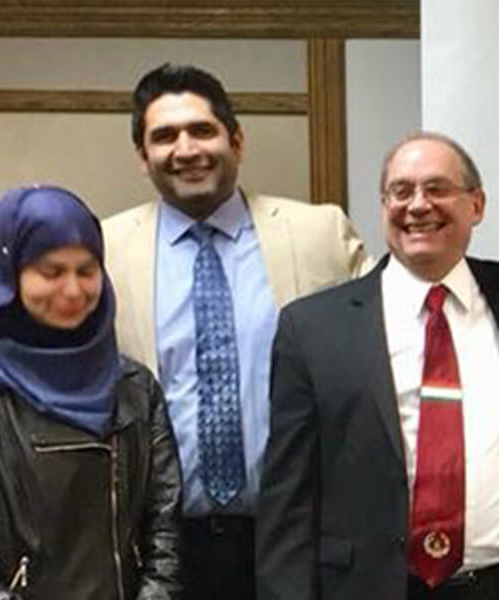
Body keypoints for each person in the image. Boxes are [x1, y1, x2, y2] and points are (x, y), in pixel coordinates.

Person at [102, 63, 368, 599]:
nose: (186, 149)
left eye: (202, 130)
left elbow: (377, 363)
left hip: (297, 536)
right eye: (164, 136)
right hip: (162, 545)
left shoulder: (319, 233)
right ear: (142, 156)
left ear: (237, 140)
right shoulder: (104, 250)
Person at [257, 133, 499, 599]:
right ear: (383, 204)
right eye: (401, 191)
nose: (417, 205)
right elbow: (287, 498)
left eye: (437, 188)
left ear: (477, 204)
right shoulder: (312, 328)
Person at [0, 185, 182, 599]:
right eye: (51, 272)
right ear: (5, 277)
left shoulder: (135, 387)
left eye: (87, 270)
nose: (74, 291)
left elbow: (164, 529)